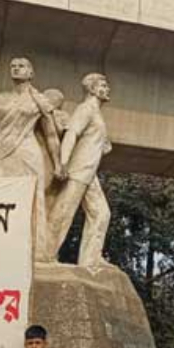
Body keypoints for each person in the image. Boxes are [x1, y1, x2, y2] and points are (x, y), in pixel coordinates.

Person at [0, 57, 64, 261]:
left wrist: (58, 163)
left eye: (21, 66)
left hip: (27, 151)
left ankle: (35, 252)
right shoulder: (0, 99)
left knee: (31, 201)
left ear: (30, 73)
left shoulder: (39, 100)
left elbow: (51, 135)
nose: (16, 69)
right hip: (0, 152)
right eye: (13, 66)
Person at [46, 73, 112, 267]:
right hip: (78, 168)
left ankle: (90, 260)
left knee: (101, 213)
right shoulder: (86, 109)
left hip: (89, 171)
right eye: (103, 85)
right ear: (92, 89)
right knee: (63, 210)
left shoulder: (97, 113)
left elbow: (92, 139)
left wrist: (102, 144)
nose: (107, 89)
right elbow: (71, 134)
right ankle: (45, 254)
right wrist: (63, 163)